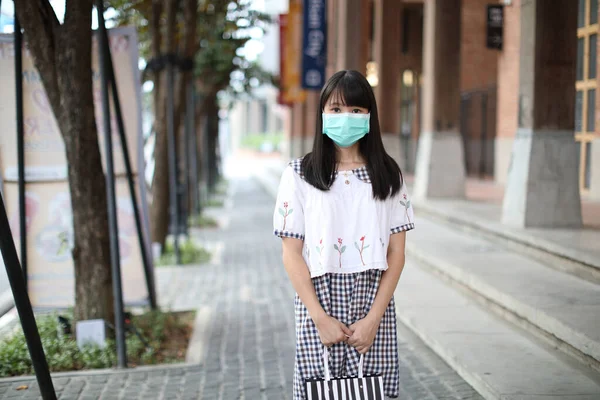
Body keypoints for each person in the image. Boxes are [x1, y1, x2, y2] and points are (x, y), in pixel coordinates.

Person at [273, 70, 414, 399]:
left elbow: (397, 253)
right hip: (318, 300)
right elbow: (291, 253)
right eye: (335, 110)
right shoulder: (299, 175)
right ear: (322, 114)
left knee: (372, 391)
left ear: (369, 115)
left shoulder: (388, 175)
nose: (344, 118)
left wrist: (373, 318)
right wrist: (319, 317)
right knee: (317, 391)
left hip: (371, 300)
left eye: (355, 110)